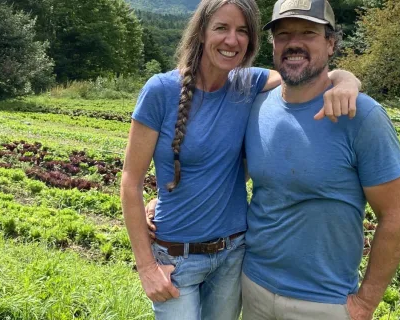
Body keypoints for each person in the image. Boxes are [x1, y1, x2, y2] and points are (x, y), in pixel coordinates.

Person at [120, 0, 361, 319]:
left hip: (232, 255)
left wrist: (345, 79)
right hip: (176, 259)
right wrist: (146, 267)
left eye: (242, 31)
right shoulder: (161, 91)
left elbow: (303, 73)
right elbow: (130, 180)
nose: (232, 40)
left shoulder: (250, 84)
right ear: (201, 33)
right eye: (221, 28)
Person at [240, 1, 400, 319]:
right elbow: (231, 176)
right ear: (273, 44)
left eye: (308, 33)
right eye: (284, 34)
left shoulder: (363, 116)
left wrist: (366, 304)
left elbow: (395, 215)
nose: (294, 43)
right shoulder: (257, 106)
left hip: (323, 303)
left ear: (331, 43)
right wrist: (170, 199)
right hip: (253, 286)